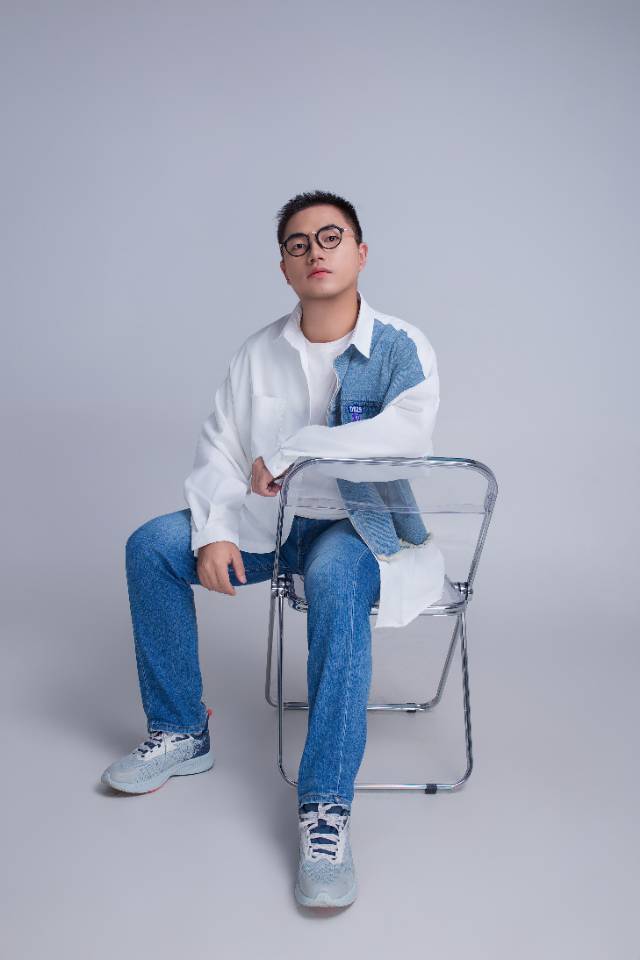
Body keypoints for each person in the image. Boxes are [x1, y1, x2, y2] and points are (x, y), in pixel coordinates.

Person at [100, 189, 441, 909]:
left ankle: (325, 807)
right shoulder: (257, 354)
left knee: (337, 581)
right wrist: (215, 530)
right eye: (298, 244)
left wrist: (295, 449)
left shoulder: (400, 346)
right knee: (153, 546)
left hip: (354, 528)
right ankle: (181, 731)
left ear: (361, 253)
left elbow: (406, 435)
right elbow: (220, 449)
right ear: (284, 267)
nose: (315, 252)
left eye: (331, 237)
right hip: (272, 528)